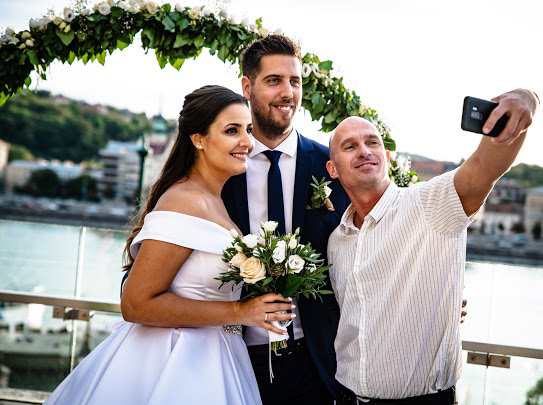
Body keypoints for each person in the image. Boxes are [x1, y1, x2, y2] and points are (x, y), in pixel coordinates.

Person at [45, 85, 296, 405]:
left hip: (216, 356)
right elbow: (136, 304)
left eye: (248, 129)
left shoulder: (214, 201)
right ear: (198, 139)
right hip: (175, 361)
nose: (247, 141)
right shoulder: (184, 200)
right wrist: (240, 311)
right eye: (232, 130)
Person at [326, 89, 539, 404]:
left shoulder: (429, 204)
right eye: (350, 146)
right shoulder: (337, 240)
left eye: (373, 142)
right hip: (345, 396)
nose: (364, 151)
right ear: (333, 169)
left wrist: (525, 100)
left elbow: (485, 166)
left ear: (387, 158)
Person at [221, 35, 350, 404]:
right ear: (247, 87)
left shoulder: (332, 167)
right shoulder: (221, 166)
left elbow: (372, 243)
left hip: (315, 365)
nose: (288, 93)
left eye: (295, 81)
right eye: (274, 80)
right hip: (232, 358)